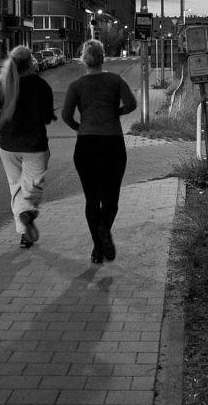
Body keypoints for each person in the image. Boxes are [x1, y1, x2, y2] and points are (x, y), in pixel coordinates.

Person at [61, 39, 137, 263]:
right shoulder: (116, 80)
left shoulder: (76, 85)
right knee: (111, 199)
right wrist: (115, 112)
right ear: (103, 58)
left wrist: (80, 127)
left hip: (86, 146)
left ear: (85, 60)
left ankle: (97, 249)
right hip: (112, 143)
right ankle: (104, 228)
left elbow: (66, 116)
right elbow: (132, 105)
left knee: (92, 199)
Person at [0, 45, 56, 248]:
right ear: (31, 62)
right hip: (35, 146)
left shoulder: (3, 86)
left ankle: (24, 233)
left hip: (8, 146)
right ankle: (28, 213)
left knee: (16, 188)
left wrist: (6, 121)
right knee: (32, 189)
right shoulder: (41, 86)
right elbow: (48, 117)